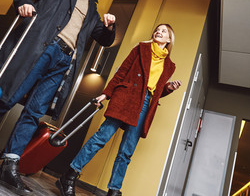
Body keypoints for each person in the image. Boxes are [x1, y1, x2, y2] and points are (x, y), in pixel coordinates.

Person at [0, 0, 119, 196]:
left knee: (34, 112)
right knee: (7, 98)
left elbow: (104, 40)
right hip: (42, 48)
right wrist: (24, 2)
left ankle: (9, 164)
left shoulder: (93, 11)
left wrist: (108, 27)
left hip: (64, 62)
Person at [56, 24, 182, 196]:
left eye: (164, 31)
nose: (158, 32)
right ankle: (69, 176)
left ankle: (114, 190)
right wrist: (106, 94)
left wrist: (169, 88)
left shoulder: (169, 66)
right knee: (101, 137)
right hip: (126, 97)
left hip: (145, 103)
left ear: (169, 40)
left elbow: (157, 92)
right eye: (157, 29)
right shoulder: (140, 48)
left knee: (126, 151)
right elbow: (122, 72)